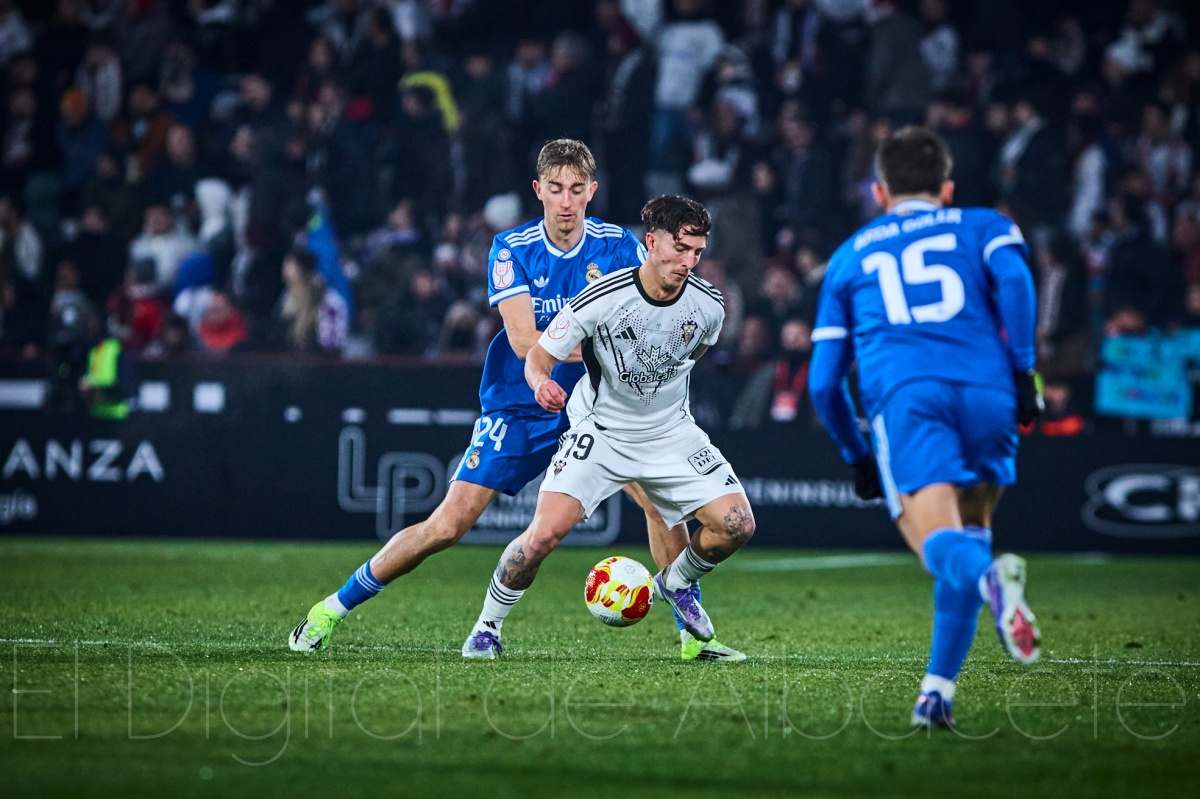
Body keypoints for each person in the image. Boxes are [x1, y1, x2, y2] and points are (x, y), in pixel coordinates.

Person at [289, 141, 745, 662]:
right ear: (538, 191)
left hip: (599, 407)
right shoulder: (512, 248)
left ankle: (693, 638)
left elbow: (654, 305)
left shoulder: (619, 244)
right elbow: (526, 339)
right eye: (556, 189)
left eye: (577, 189)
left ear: (592, 192)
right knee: (448, 525)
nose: (566, 201)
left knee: (662, 508)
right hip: (521, 402)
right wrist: (605, 346)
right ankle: (332, 609)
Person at [808, 127, 1045, 730]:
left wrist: (857, 454)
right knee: (971, 529)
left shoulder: (851, 255)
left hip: (909, 395)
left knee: (937, 544)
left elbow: (824, 385)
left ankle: (993, 581)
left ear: (879, 191)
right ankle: (936, 693)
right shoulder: (985, 224)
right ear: (946, 188)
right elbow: (1016, 281)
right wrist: (1024, 370)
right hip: (989, 390)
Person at [459, 194, 754, 659]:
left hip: (670, 433)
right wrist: (540, 383)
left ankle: (675, 584)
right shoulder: (601, 297)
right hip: (601, 431)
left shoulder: (709, 305)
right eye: (680, 248)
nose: (688, 262)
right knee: (542, 536)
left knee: (737, 525)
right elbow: (539, 355)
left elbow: (690, 357)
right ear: (651, 243)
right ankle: (486, 628)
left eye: (697, 252)